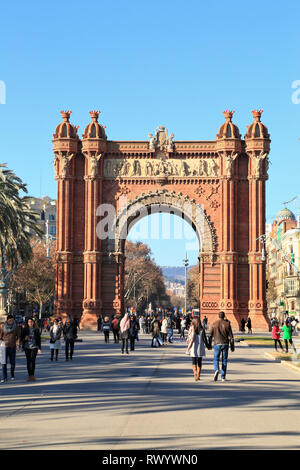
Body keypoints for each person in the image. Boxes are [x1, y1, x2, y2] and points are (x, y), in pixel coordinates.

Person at [208, 311, 234, 382]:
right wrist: (232, 347)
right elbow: (231, 337)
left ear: (218, 316)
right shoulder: (227, 324)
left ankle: (216, 369)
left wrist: (209, 345)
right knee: (224, 360)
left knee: (216, 359)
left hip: (217, 344)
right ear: (224, 316)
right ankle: (223, 377)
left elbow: (210, 335)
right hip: (225, 344)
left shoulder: (214, 324)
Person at [186, 317, 210, 381]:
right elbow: (205, 339)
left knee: (194, 361)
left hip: (193, 346)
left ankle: (195, 372)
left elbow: (189, 336)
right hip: (200, 347)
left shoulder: (191, 328)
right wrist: (208, 345)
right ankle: (198, 374)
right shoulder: (202, 329)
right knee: (199, 361)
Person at [0, 315, 21, 383]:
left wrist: (18, 345)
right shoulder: (3, 327)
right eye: (10, 320)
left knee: (12, 363)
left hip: (12, 346)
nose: (11, 321)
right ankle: (4, 377)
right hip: (4, 346)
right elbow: (0, 336)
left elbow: (18, 337)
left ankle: (12, 375)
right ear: (7, 320)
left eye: (12, 320)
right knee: (4, 363)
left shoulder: (16, 327)